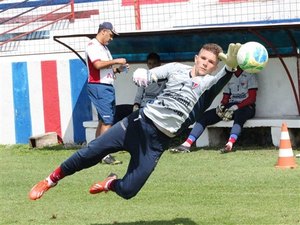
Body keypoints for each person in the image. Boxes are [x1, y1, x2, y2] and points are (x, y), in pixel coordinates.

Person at [28, 42, 241, 201]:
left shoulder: (208, 84)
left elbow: (221, 79)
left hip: (157, 143)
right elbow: (154, 74)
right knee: (90, 153)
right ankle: (50, 180)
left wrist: (230, 69)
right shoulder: (176, 68)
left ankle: (110, 182)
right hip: (137, 124)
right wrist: (143, 75)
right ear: (196, 58)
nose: (206, 63)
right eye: (203, 58)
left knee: (129, 191)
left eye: (212, 62)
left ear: (215, 66)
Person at [170, 66, 258, 154]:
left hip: (246, 107)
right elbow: (226, 97)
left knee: (239, 116)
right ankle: (187, 144)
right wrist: (222, 106)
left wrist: (237, 107)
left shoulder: (250, 75)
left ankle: (230, 143)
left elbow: (252, 99)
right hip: (230, 107)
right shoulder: (230, 76)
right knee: (204, 117)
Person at [85, 22, 129, 165]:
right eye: (110, 35)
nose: (111, 39)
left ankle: (95, 152)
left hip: (105, 86)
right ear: (103, 31)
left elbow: (105, 71)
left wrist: (118, 70)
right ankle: (104, 154)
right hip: (99, 87)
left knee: (103, 121)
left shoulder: (103, 48)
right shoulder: (92, 45)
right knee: (108, 121)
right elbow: (97, 65)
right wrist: (116, 61)